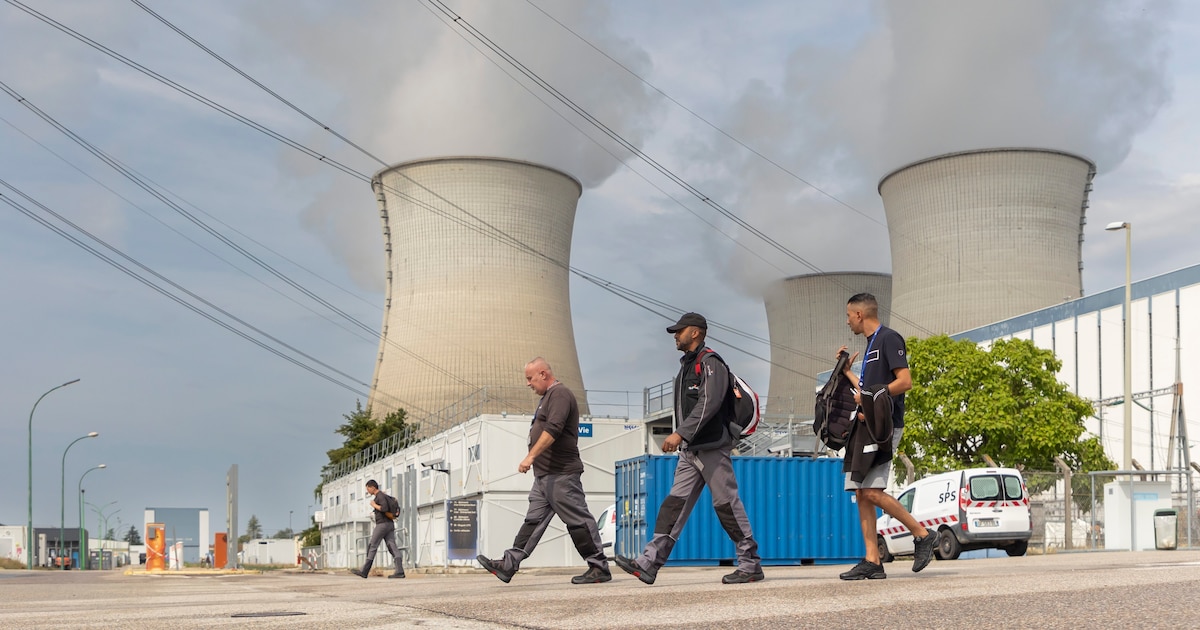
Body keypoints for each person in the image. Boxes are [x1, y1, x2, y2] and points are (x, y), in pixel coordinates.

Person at [614, 312, 764, 585]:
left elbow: (709, 402)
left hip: (712, 447)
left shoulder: (710, 363)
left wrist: (680, 433)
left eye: (679, 331)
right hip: (690, 450)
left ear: (695, 332)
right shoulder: (687, 366)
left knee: (726, 506)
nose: (675, 335)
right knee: (673, 505)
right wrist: (684, 439)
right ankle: (649, 563)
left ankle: (750, 564)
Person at [476, 357, 611, 585]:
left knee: (578, 520)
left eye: (530, 378)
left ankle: (599, 567)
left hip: (561, 473)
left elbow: (554, 429)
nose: (528, 383)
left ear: (543, 374)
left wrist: (531, 456)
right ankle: (509, 564)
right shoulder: (547, 397)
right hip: (544, 477)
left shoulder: (560, 394)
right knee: (533, 521)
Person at [837, 292, 938, 580]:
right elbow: (868, 391)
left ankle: (922, 534)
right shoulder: (871, 345)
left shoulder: (889, 339)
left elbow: (905, 382)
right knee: (861, 492)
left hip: (884, 426)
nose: (847, 322)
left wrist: (869, 396)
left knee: (871, 491)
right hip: (866, 425)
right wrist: (847, 373)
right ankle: (872, 560)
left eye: (848, 316)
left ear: (859, 315)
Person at [350, 479, 405, 579]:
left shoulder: (380, 496)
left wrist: (374, 505)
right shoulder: (383, 495)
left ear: (372, 487)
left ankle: (364, 571)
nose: (367, 491)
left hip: (382, 525)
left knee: (372, 545)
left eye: (368, 489)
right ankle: (400, 571)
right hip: (389, 524)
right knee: (392, 546)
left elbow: (384, 508)